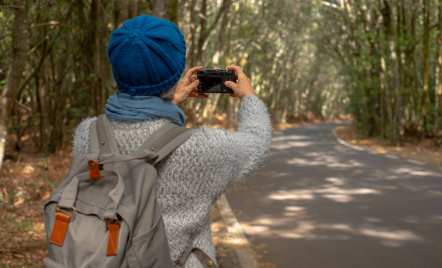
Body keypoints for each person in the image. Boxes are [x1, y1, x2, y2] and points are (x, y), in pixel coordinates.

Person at [72, 14, 272, 268]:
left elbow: (133, 137)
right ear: (176, 70)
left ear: (115, 69)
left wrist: (168, 101)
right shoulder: (200, 149)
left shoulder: (87, 134)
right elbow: (257, 143)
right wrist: (249, 97)